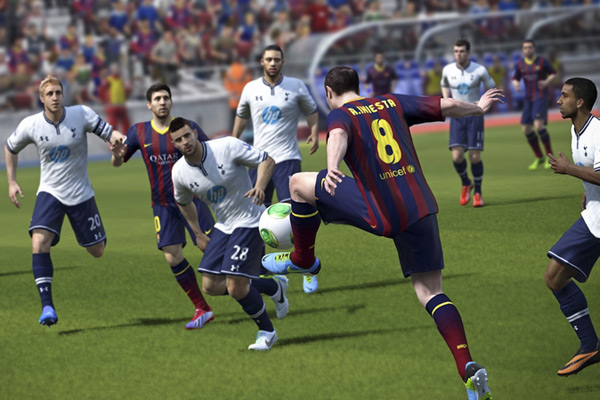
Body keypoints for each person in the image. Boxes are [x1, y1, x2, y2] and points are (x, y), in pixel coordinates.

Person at [261, 66, 504, 399]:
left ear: (329, 93)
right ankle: (468, 368)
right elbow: (445, 105)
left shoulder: (341, 114)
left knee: (297, 184)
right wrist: (477, 107)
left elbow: (338, 135)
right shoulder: (392, 102)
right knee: (430, 292)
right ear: (358, 85)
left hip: (381, 210)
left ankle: (303, 258)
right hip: (421, 207)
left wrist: (332, 166)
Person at [4, 74, 126, 327]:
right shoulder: (31, 124)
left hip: (81, 193)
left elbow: (109, 132)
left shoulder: (81, 114)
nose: (55, 97)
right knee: (39, 242)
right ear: (42, 98)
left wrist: (116, 139)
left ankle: (94, 235)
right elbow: (10, 147)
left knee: (97, 251)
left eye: (58, 92)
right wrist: (12, 181)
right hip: (50, 192)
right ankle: (47, 306)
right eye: (49, 94)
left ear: (63, 94)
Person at [169, 117, 287, 351]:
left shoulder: (226, 146)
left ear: (195, 133)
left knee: (235, 287)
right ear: (174, 144)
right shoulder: (179, 172)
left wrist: (260, 186)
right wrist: (197, 233)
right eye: (179, 140)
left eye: (187, 135)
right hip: (224, 226)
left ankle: (267, 332)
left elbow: (267, 160)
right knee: (211, 286)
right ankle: (274, 287)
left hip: (250, 220)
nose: (185, 142)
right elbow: (183, 202)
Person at [110, 83, 215, 329]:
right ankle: (202, 308)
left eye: (166, 98)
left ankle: (259, 284)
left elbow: (210, 153)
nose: (162, 102)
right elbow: (118, 161)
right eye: (157, 99)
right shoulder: (138, 132)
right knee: (172, 255)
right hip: (162, 205)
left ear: (171, 102)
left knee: (214, 252)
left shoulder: (186, 127)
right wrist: (116, 154)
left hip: (192, 200)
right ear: (149, 105)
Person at [232, 44, 320, 294]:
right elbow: (241, 116)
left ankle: (308, 268)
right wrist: (234, 143)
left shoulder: (295, 86)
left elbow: (312, 111)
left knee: (296, 217)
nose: (272, 63)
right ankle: (264, 271)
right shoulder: (250, 88)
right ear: (262, 61)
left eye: (277, 59)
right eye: (268, 59)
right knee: (256, 217)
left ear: (283, 62)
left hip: (287, 158)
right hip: (258, 162)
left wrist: (314, 132)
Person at [545, 77, 600, 376]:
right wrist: (588, 191)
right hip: (594, 212)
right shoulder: (575, 130)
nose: (558, 100)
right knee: (554, 276)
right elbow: (592, 170)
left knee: (554, 276)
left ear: (580, 102)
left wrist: (569, 169)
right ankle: (590, 345)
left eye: (564, 95)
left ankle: (590, 345)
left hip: (598, 220)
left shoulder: (598, 131)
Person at [441, 39, 496, 207]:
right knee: (457, 157)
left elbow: (492, 88)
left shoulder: (479, 70)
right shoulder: (448, 70)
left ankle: (478, 192)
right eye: (456, 51)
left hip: (474, 115)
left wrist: (482, 103)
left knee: (474, 156)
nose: (458, 54)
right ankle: (466, 183)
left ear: (468, 53)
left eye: (462, 51)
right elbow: (444, 84)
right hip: (456, 116)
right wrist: (446, 100)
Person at [511, 39, 557, 170]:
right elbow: (515, 77)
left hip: (540, 97)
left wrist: (546, 82)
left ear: (534, 48)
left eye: (530, 47)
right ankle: (539, 157)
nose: (528, 49)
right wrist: (516, 84)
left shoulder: (541, 61)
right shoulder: (520, 64)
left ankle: (550, 157)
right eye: (525, 47)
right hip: (528, 99)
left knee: (538, 126)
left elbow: (553, 73)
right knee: (526, 129)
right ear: (523, 50)